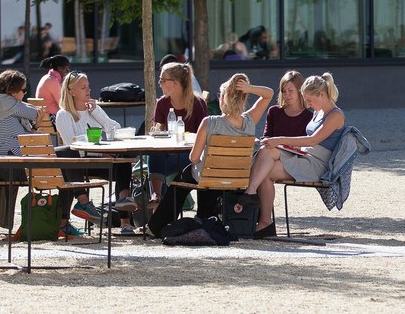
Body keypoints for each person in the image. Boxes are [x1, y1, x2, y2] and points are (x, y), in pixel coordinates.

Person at [146, 73, 273, 237]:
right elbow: (269, 94)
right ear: (243, 99)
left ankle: (155, 227)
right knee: (208, 177)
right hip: (238, 176)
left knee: (182, 180)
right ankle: (203, 218)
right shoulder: (250, 120)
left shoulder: (210, 122)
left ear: (222, 99)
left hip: (209, 175)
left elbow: (193, 158)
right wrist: (250, 88)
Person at [239, 73, 345, 238]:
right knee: (265, 169)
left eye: (310, 100)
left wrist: (279, 140)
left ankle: (250, 194)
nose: (308, 104)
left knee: (268, 153)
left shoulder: (336, 115)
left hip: (318, 165)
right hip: (305, 156)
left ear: (322, 95)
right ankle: (264, 220)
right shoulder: (319, 112)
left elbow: (312, 140)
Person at [0, 69, 82, 238]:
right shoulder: (1, 101)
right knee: (69, 153)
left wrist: (35, 125)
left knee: (69, 161)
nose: (25, 93)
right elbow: (34, 112)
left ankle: (65, 219)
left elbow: (31, 133)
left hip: (23, 160)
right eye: (23, 90)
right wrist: (36, 113)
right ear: (11, 89)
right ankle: (82, 203)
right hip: (11, 164)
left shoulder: (12, 106)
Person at [55, 70, 139, 235]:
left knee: (122, 160)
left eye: (88, 86)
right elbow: (73, 145)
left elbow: (116, 130)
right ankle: (78, 210)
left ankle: (124, 212)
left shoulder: (93, 110)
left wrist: (98, 113)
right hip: (79, 165)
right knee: (67, 159)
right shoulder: (64, 115)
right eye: (83, 87)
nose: (88, 90)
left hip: (99, 161)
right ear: (71, 91)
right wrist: (100, 153)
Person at [148, 61, 209, 209]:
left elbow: (205, 137)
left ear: (175, 83)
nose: (159, 83)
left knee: (154, 170)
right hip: (167, 154)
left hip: (190, 155)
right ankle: (156, 195)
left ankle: (157, 201)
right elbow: (158, 131)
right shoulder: (162, 104)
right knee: (154, 153)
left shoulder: (198, 104)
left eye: (162, 80)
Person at [262, 70, 311, 138]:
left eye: (290, 90)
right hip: (271, 148)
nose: (286, 94)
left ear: (300, 90)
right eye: (284, 91)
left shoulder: (309, 117)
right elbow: (266, 137)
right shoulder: (274, 111)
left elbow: (305, 144)